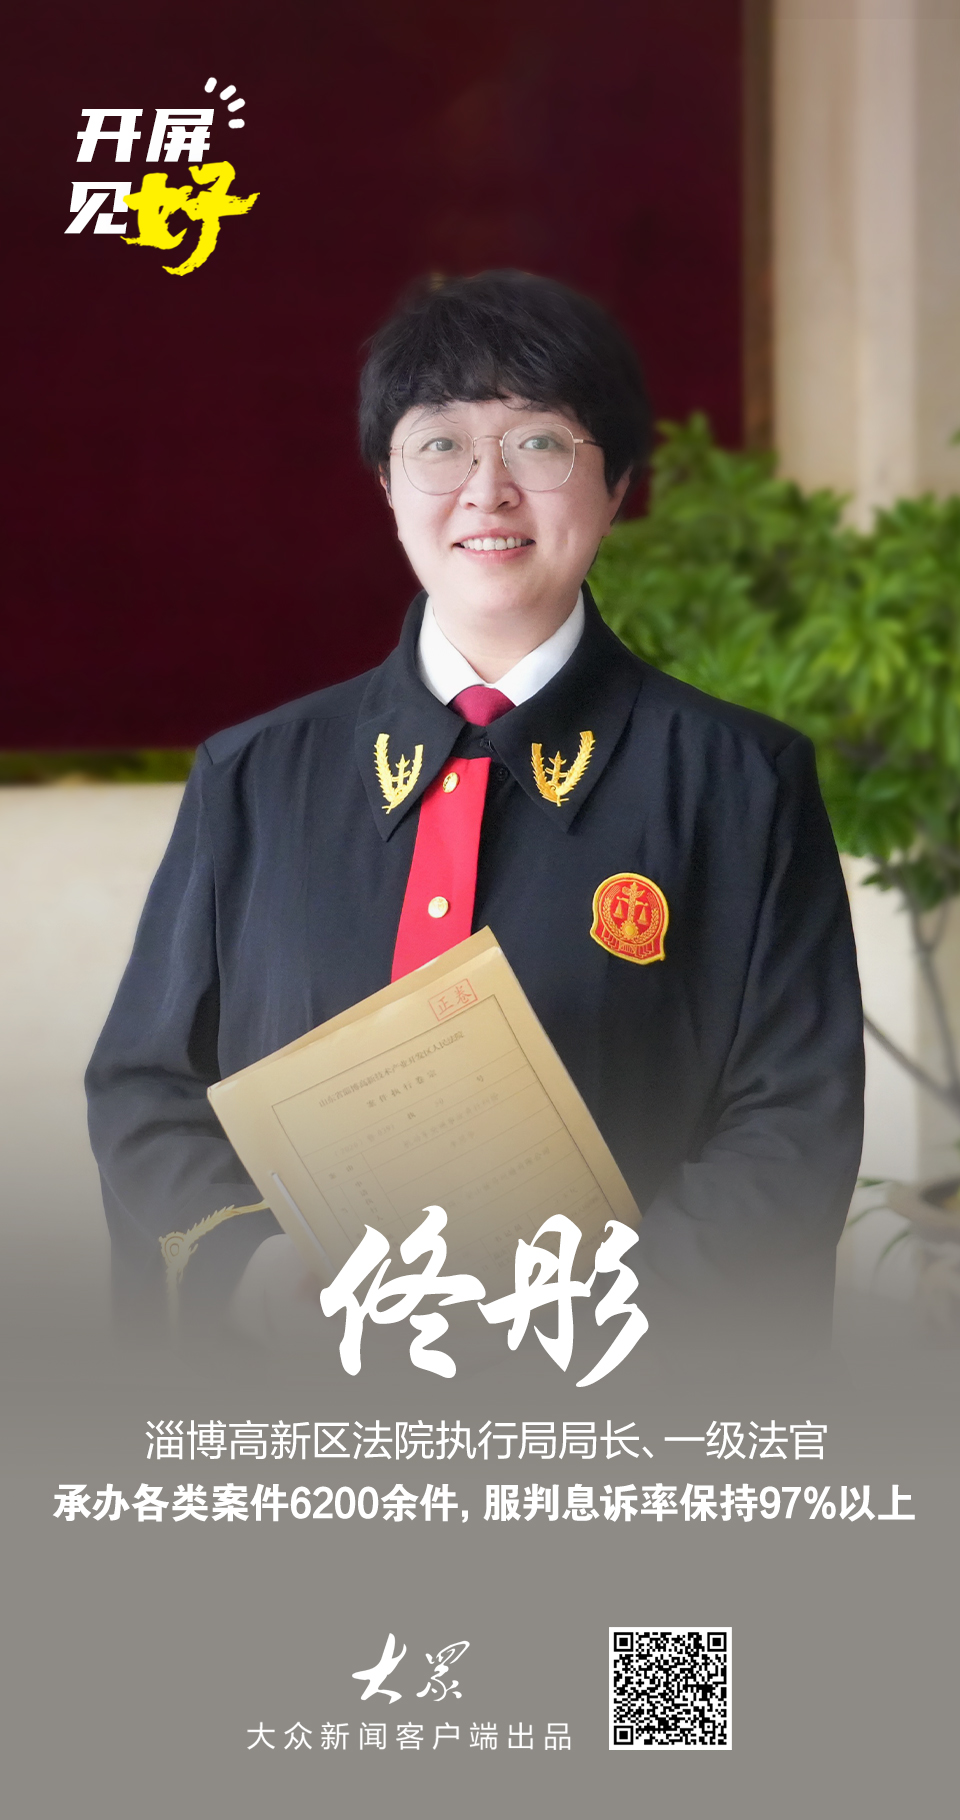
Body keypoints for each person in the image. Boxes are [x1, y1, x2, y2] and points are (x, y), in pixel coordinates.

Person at [86, 269, 864, 1343]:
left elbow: (793, 1127)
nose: (487, 490)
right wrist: (248, 1268)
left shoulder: (744, 783)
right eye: (440, 444)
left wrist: (582, 1320)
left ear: (618, 485)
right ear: (387, 483)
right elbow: (148, 1086)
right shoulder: (253, 778)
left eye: (539, 441)